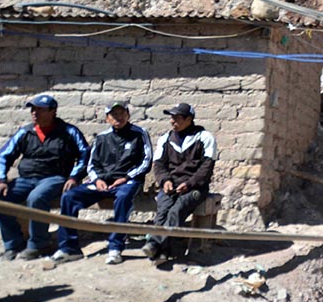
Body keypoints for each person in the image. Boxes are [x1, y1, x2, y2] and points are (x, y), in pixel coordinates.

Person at [0, 93, 89, 260]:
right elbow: (4, 156)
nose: (34, 113)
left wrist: (74, 177)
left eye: (40, 110)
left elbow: (85, 155)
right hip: (26, 179)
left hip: (55, 178)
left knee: (36, 198)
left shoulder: (68, 131)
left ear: (53, 111)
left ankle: (38, 244)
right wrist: (1, 180)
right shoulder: (25, 132)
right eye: (33, 109)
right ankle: (13, 244)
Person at [51, 102, 152, 265]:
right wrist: (97, 180)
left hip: (128, 181)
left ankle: (115, 247)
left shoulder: (139, 134)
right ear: (107, 118)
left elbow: (146, 161)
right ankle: (69, 248)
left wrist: (126, 177)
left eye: (121, 113)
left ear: (128, 115)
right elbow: (91, 164)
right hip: (102, 182)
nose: (118, 117)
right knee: (70, 197)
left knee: (124, 197)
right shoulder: (101, 138)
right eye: (114, 115)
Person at [143, 102, 217, 263]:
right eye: (171, 117)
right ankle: (163, 253)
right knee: (163, 210)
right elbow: (159, 165)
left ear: (189, 119)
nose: (172, 121)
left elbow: (206, 168)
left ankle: (154, 244)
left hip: (195, 187)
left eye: (177, 118)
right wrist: (165, 180)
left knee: (177, 210)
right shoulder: (166, 138)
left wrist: (190, 184)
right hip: (171, 185)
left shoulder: (204, 138)